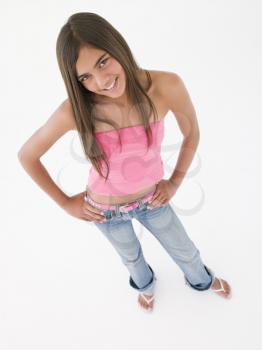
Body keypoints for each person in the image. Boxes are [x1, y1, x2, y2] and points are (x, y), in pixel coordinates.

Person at [17, 12, 232, 312]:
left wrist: (174, 182)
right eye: (85, 77)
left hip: (154, 199)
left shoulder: (166, 86)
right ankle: (144, 285)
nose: (101, 81)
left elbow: (192, 132)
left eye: (102, 62)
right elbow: (27, 155)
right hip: (105, 210)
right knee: (130, 257)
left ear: (117, 44)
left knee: (182, 247)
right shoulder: (76, 110)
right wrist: (65, 203)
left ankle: (201, 280)